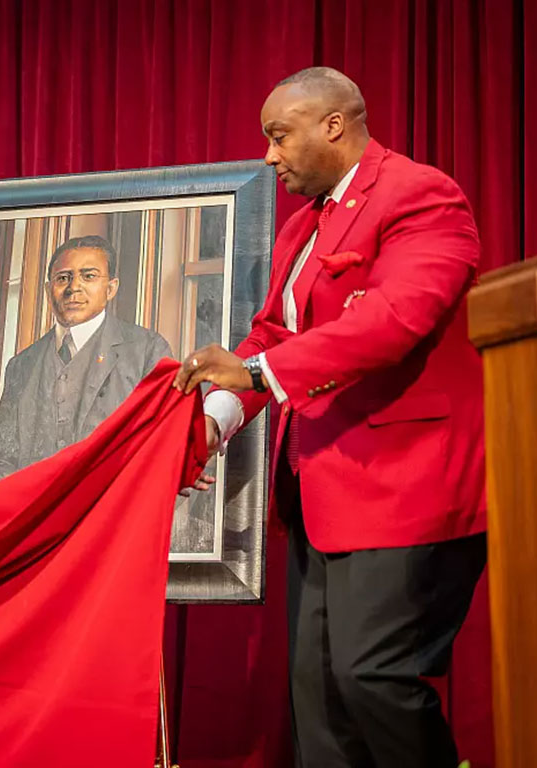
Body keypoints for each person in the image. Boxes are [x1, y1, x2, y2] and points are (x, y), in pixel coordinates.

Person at [175, 67, 486, 767]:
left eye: (278, 136)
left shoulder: (420, 194)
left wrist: (254, 371)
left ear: (334, 125)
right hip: (322, 492)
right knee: (318, 699)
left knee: (373, 678)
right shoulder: (299, 230)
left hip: (408, 488)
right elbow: (268, 339)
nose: (268, 156)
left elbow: (394, 319)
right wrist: (211, 423)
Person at [0, 235, 171, 496]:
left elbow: (163, 451)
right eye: (63, 278)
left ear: (111, 287)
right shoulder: (22, 365)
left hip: (112, 514)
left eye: (89, 276)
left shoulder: (147, 351)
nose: (74, 288)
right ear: (49, 290)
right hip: (36, 517)